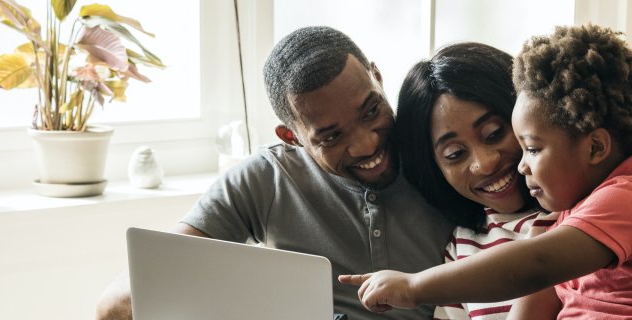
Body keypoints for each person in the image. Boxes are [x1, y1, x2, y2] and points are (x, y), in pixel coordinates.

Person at [341, 27, 632, 319]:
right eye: (453, 154)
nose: (485, 164)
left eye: (496, 133)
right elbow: (538, 284)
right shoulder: (463, 247)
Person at [94, 26, 454, 320]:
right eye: (331, 136)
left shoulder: (440, 150)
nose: (365, 145)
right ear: (292, 137)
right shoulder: (267, 177)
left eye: (371, 110)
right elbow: (116, 305)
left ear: (377, 77)